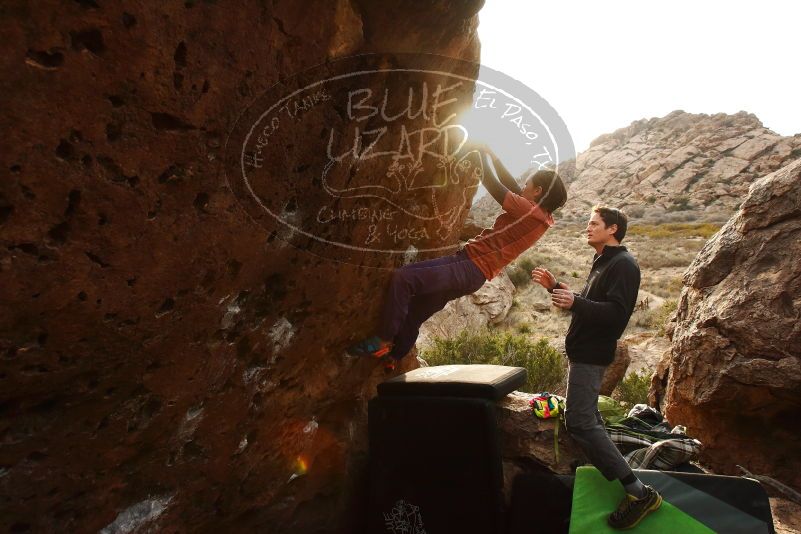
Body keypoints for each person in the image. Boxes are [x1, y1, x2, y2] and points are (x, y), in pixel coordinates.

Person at [347, 150, 567, 370]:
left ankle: (384, 339)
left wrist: (480, 156)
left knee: (404, 278)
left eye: (528, 184)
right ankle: (394, 357)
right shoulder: (542, 217)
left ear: (537, 192)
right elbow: (512, 186)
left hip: (466, 266)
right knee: (416, 311)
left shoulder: (529, 212)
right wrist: (493, 157)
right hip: (474, 275)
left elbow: (493, 184)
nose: (523, 187)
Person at [532, 206, 662, 529]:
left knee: (580, 420)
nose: (587, 228)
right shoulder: (604, 262)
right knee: (584, 419)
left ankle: (639, 492)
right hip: (582, 352)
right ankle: (606, 472)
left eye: (594, 224)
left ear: (613, 229)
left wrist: (574, 302)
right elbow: (593, 304)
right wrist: (557, 286)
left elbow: (616, 315)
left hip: (592, 354)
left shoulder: (624, 266)